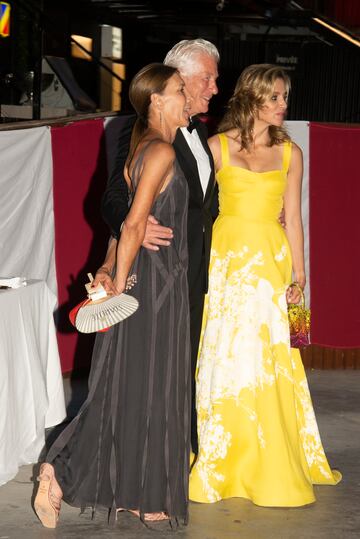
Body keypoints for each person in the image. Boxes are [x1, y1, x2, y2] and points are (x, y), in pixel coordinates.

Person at [34, 63, 192, 528]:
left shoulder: (141, 150)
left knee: (135, 386)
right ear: (157, 101)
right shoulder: (161, 150)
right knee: (138, 385)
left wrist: (107, 267)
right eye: (180, 90)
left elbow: (122, 227)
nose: (187, 98)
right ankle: (58, 470)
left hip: (149, 282)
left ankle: (139, 492)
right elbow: (133, 223)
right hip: (155, 289)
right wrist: (118, 285)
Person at [189, 64, 341, 507]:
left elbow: (293, 217)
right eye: (274, 96)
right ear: (251, 98)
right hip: (225, 262)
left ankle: (272, 458)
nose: (282, 105)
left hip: (271, 265)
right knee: (225, 355)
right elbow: (193, 208)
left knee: (273, 358)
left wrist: (300, 277)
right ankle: (222, 461)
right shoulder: (215, 147)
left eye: (285, 97)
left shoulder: (291, 152)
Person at [96, 39, 220, 456]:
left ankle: (177, 452)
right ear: (177, 82)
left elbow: (203, 205)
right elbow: (113, 198)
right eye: (207, 78)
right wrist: (133, 228)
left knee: (180, 365)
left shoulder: (201, 133)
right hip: (156, 269)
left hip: (191, 268)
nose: (214, 88)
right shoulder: (137, 136)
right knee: (148, 369)